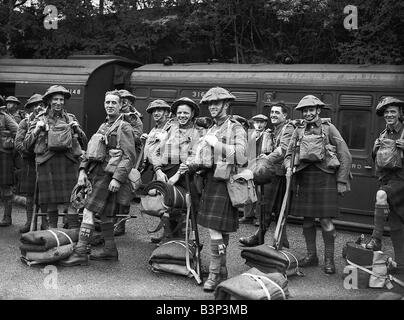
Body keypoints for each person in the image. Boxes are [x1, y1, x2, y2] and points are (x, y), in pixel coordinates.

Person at [60, 90, 136, 266]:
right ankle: (110, 250)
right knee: (105, 214)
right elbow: (92, 151)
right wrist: (82, 171)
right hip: (96, 174)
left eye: (113, 103)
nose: (110, 105)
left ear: (120, 105)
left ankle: (80, 252)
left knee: (88, 211)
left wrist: (117, 178)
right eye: (107, 102)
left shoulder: (124, 127)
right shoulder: (104, 125)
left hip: (108, 176)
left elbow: (129, 156)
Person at [184, 87, 248, 291]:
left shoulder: (236, 128)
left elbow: (241, 156)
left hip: (226, 182)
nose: (212, 107)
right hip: (209, 181)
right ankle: (222, 270)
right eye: (210, 104)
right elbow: (204, 159)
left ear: (226, 105)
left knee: (214, 230)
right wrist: (192, 164)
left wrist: (216, 144)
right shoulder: (211, 128)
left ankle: (213, 274)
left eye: (216, 103)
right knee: (220, 231)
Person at [284, 95, 352, 274]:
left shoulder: (329, 129)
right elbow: (289, 154)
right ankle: (311, 256)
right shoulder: (298, 131)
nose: (307, 113)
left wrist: (341, 180)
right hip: (304, 178)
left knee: (326, 221)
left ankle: (329, 260)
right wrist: (287, 167)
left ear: (318, 110)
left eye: (310, 110)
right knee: (306, 221)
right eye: (304, 110)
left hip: (325, 178)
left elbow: (345, 155)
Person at [24, 85, 87, 229]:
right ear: (49, 101)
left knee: (72, 200)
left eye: (61, 99)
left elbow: (85, 142)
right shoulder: (40, 119)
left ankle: (73, 232)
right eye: (55, 99)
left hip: (69, 162)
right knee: (51, 202)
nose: (59, 102)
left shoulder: (71, 118)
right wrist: (37, 129)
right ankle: (52, 233)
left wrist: (77, 128)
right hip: (47, 163)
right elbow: (27, 144)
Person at [239, 102, 295, 247]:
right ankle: (277, 239)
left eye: (277, 112)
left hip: (280, 173)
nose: (273, 115)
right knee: (270, 208)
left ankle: (269, 239)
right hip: (275, 172)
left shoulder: (288, 128)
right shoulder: (276, 129)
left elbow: (283, 149)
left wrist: (266, 159)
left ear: (285, 115)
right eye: (272, 112)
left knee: (271, 208)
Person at [151, 97, 205, 244]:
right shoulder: (169, 129)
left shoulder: (198, 133)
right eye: (179, 112)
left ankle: (185, 241)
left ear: (193, 113)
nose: (182, 116)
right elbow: (154, 152)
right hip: (165, 173)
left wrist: (177, 175)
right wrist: (158, 170)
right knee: (166, 206)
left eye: (186, 113)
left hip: (186, 176)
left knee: (185, 208)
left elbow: (195, 156)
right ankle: (167, 236)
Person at [365, 97, 404, 276]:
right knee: (396, 224)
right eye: (386, 112)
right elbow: (379, 160)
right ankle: (401, 264)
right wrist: (375, 149)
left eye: (392, 111)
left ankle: (376, 239)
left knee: (381, 195)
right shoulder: (383, 133)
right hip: (388, 179)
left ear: (400, 113)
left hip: (402, 181)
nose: (389, 115)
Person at [113, 90, 143, 237]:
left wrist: (126, 128)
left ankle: (120, 225)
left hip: (129, 158)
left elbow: (137, 139)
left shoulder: (135, 119)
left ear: (130, 103)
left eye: (126, 101)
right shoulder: (116, 117)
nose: (124, 103)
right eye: (122, 100)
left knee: (125, 192)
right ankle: (112, 222)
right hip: (115, 157)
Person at [14, 94, 46, 232]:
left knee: (45, 195)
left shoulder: (48, 120)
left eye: (41, 104)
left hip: (45, 163)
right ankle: (28, 222)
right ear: (30, 108)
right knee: (29, 196)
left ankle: (45, 223)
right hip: (30, 164)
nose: (38, 107)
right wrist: (31, 154)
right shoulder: (24, 123)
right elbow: (18, 144)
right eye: (34, 105)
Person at [239, 114, 270, 225]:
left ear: (265, 124)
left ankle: (259, 218)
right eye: (257, 122)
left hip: (261, 167)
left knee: (260, 193)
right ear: (253, 123)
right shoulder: (250, 135)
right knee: (248, 191)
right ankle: (248, 215)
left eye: (262, 122)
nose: (259, 124)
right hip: (250, 166)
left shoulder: (268, 135)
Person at [0, 95, 18, 227]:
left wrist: (5, 135)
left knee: (6, 187)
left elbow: (18, 131)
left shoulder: (4, 117)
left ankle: (7, 217)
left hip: (3, 155)